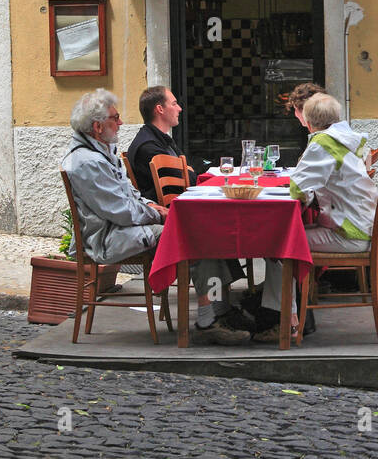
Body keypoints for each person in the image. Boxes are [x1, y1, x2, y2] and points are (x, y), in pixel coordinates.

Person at [61, 89, 249, 346]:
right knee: (191, 237)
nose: (120, 123)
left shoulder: (102, 151)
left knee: (204, 232)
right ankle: (209, 319)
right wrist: (158, 214)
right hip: (107, 237)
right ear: (97, 126)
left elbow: (131, 195)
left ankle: (219, 308)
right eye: (115, 118)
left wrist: (152, 206)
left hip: (122, 227)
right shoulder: (88, 162)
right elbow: (120, 211)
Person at [255, 93, 378, 342]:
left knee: (277, 246)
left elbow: (298, 190)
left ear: (309, 122)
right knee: (285, 239)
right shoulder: (347, 139)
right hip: (362, 227)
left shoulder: (323, 143)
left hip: (349, 232)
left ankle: (287, 324)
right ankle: (290, 315)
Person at [126, 86, 185, 203]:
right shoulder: (148, 146)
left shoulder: (160, 139)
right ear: (160, 109)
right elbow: (185, 181)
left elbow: (187, 170)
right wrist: (189, 171)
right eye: (174, 104)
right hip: (167, 211)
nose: (180, 109)